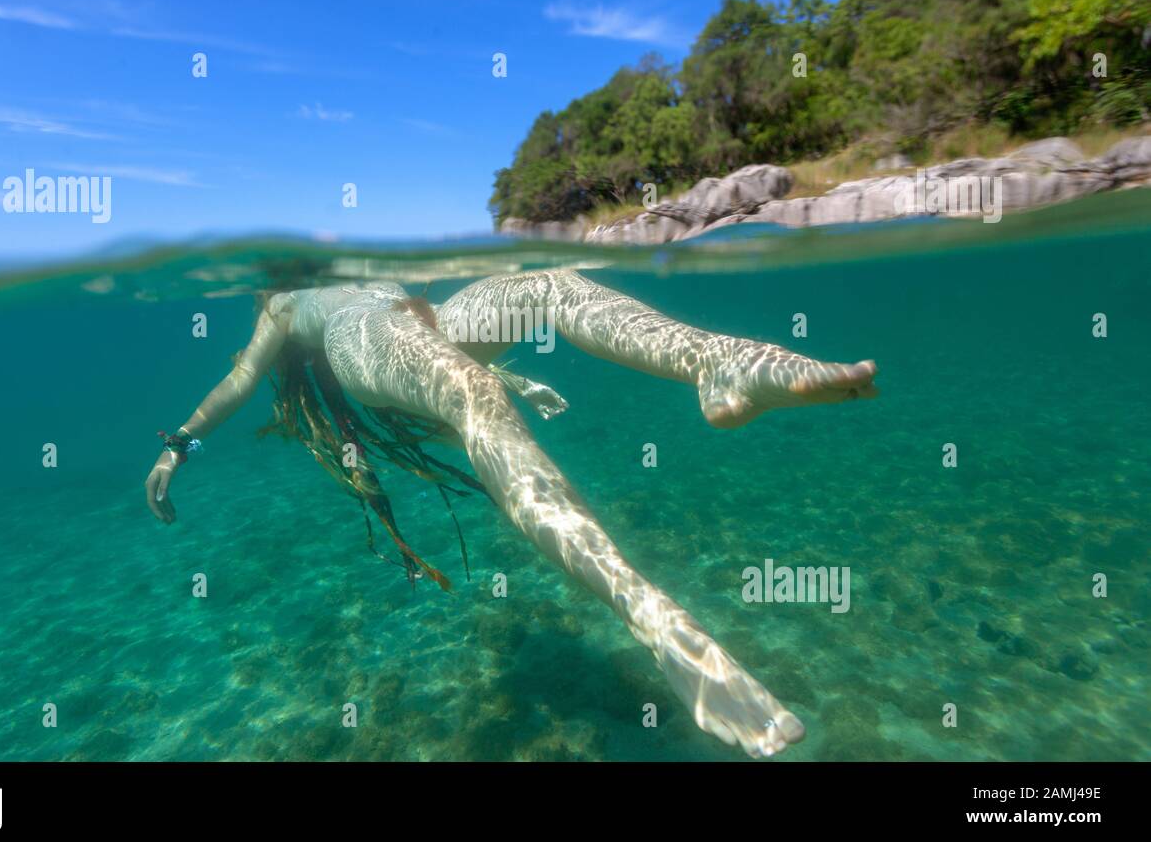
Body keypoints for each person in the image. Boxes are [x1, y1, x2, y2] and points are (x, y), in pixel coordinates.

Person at [145, 269, 878, 756]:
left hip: (423, 324)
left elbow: (423, 342)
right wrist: (179, 444)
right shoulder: (282, 305)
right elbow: (242, 376)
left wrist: (515, 377)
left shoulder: (355, 271)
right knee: (473, 394)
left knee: (546, 286)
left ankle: (717, 361)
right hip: (362, 345)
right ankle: (656, 620)